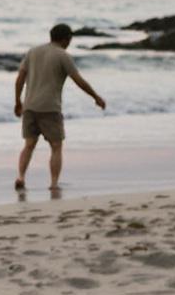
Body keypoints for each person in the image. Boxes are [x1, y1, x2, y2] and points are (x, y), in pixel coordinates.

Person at [14, 23, 107, 191]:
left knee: (29, 145)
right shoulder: (62, 55)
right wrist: (95, 96)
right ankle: (54, 183)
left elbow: (20, 78)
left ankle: (21, 177)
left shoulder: (33, 52)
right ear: (66, 39)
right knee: (56, 147)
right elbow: (78, 80)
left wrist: (18, 101)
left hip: (29, 106)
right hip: (50, 108)